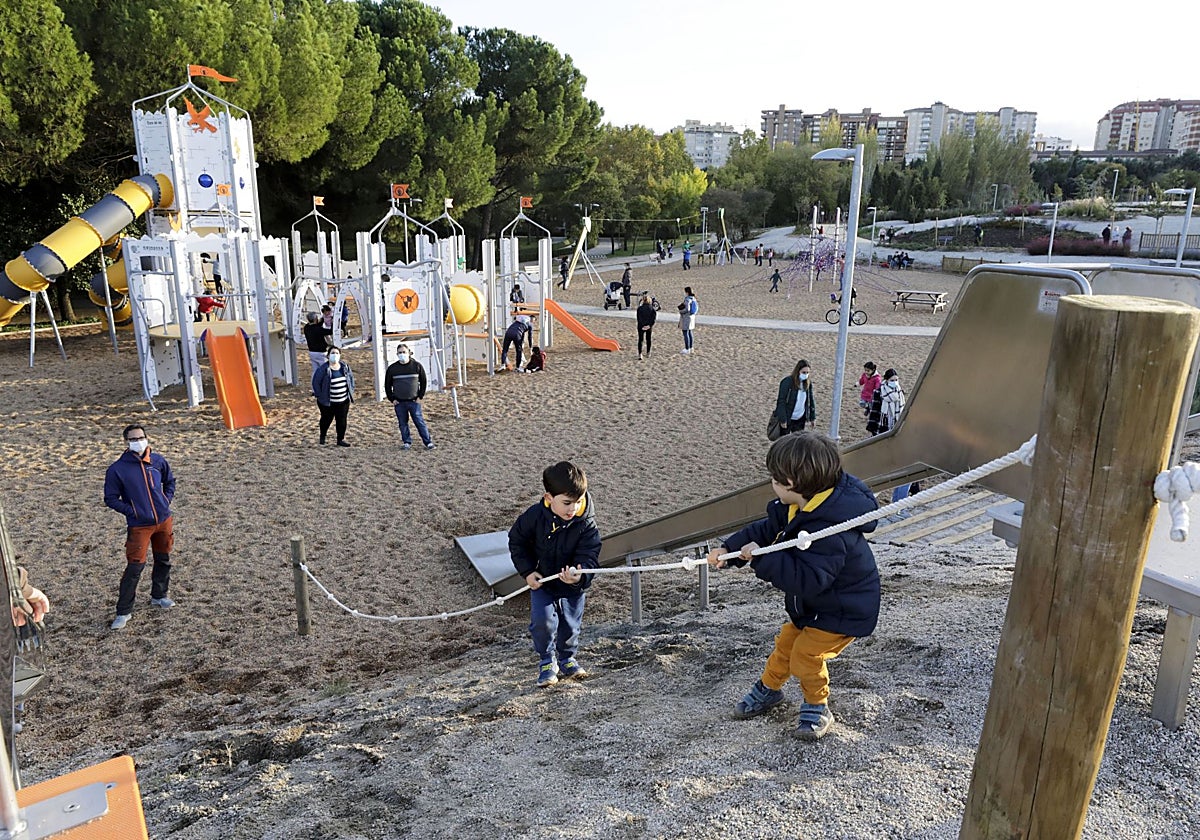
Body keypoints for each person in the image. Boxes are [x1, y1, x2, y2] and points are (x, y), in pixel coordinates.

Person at [706, 432, 880, 740]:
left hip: (844, 609)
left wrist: (761, 561)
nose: (771, 483)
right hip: (814, 607)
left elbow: (809, 580)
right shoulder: (795, 506)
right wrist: (729, 551)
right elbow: (765, 528)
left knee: (806, 654)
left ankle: (818, 706)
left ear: (792, 483)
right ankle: (769, 690)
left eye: (774, 478)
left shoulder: (831, 530)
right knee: (786, 644)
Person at [508, 461, 601, 687]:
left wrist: (580, 574)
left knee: (570, 625)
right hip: (544, 582)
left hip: (572, 586)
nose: (572, 509)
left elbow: (591, 553)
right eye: (567, 503)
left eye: (578, 502)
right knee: (543, 622)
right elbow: (517, 541)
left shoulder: (586, 522)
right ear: (549, 498)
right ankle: (547, 660)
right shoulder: (535, 516)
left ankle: (567, 658)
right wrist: (528, 572)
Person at [103, 424, 177, 630]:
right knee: (135, 567)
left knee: (164, 560)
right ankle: (124, 611)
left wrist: (165, 500)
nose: (138, 441)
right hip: (139, 526)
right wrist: (133, 512)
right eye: (133, 439)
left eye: (140, 437)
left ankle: (159, 595)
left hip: (163, 521)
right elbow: (110, 498)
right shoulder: (117, 469)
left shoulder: (158, 461)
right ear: (126, 442)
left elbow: (170, 482)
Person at [384, 343, 435, 450]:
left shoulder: (416, 366)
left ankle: (428, 442)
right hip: (399, 402)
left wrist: (420, 397)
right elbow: (387, 385)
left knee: (419, 421)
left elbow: (424, 382)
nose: (402, 354)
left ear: (409, 353)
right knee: (403, 423)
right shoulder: (392, 369)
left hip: (414, 401)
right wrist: (392, 399)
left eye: (404, 352)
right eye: (400, 352)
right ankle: (407, 442)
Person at [312, 347, 355, 446]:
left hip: (343, 400)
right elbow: (316, 383)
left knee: (342, 421)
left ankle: (340, 439)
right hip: (328, 402)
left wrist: (351, 391)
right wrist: (320, 396)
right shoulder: (323, 369)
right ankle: (323, 436)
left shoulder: (345, 367)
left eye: (337, 353)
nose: (334, 355)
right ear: (328, 355)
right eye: (332, 353)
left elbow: (351, 379)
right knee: (326, 420)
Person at [774, 359, 816, 434]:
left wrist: (812, 417)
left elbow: (810, 400)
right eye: (804, 372)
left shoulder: (808, 384)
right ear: (798, 371)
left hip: (800, 418)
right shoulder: (787, 382)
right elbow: (781, 401)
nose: (806, 374)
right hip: (788, 417)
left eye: (807, 372)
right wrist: (783, 419)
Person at [636, 293, 657, 359]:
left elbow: (639, 318)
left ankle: (640, 354)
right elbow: (653, 319)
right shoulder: (652, 309)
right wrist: (649, 325)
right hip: (648, 326)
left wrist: (643, 325)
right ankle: (648, 353)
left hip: (641, 326)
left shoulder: (639, 309)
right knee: (648, 339)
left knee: (640, 340)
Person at [678, 286, 698, 354]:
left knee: (685, 333)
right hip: (692, 317)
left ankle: (687, 348)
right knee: (690, 332)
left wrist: (681, 311)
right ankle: (691, 347)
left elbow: (687, 309)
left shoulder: (687, 299)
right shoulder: (693, 298)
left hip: (686, 318)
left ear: (687, 292)